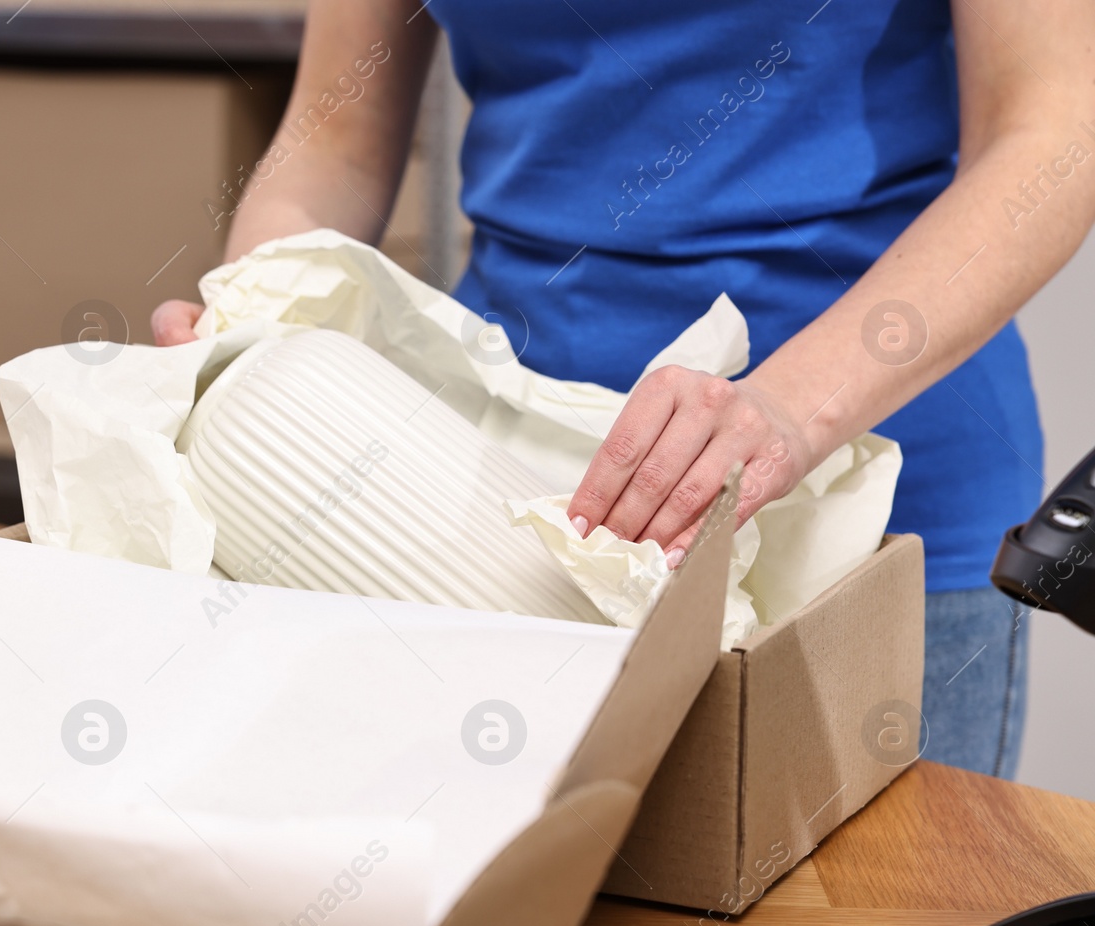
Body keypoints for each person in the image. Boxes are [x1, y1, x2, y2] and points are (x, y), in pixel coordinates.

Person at [151, 1, 1095, 778]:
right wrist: (253, 315)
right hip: (501, 494)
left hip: (871, 499)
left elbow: (1055, 132)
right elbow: (339, 141)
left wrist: (783, 411)